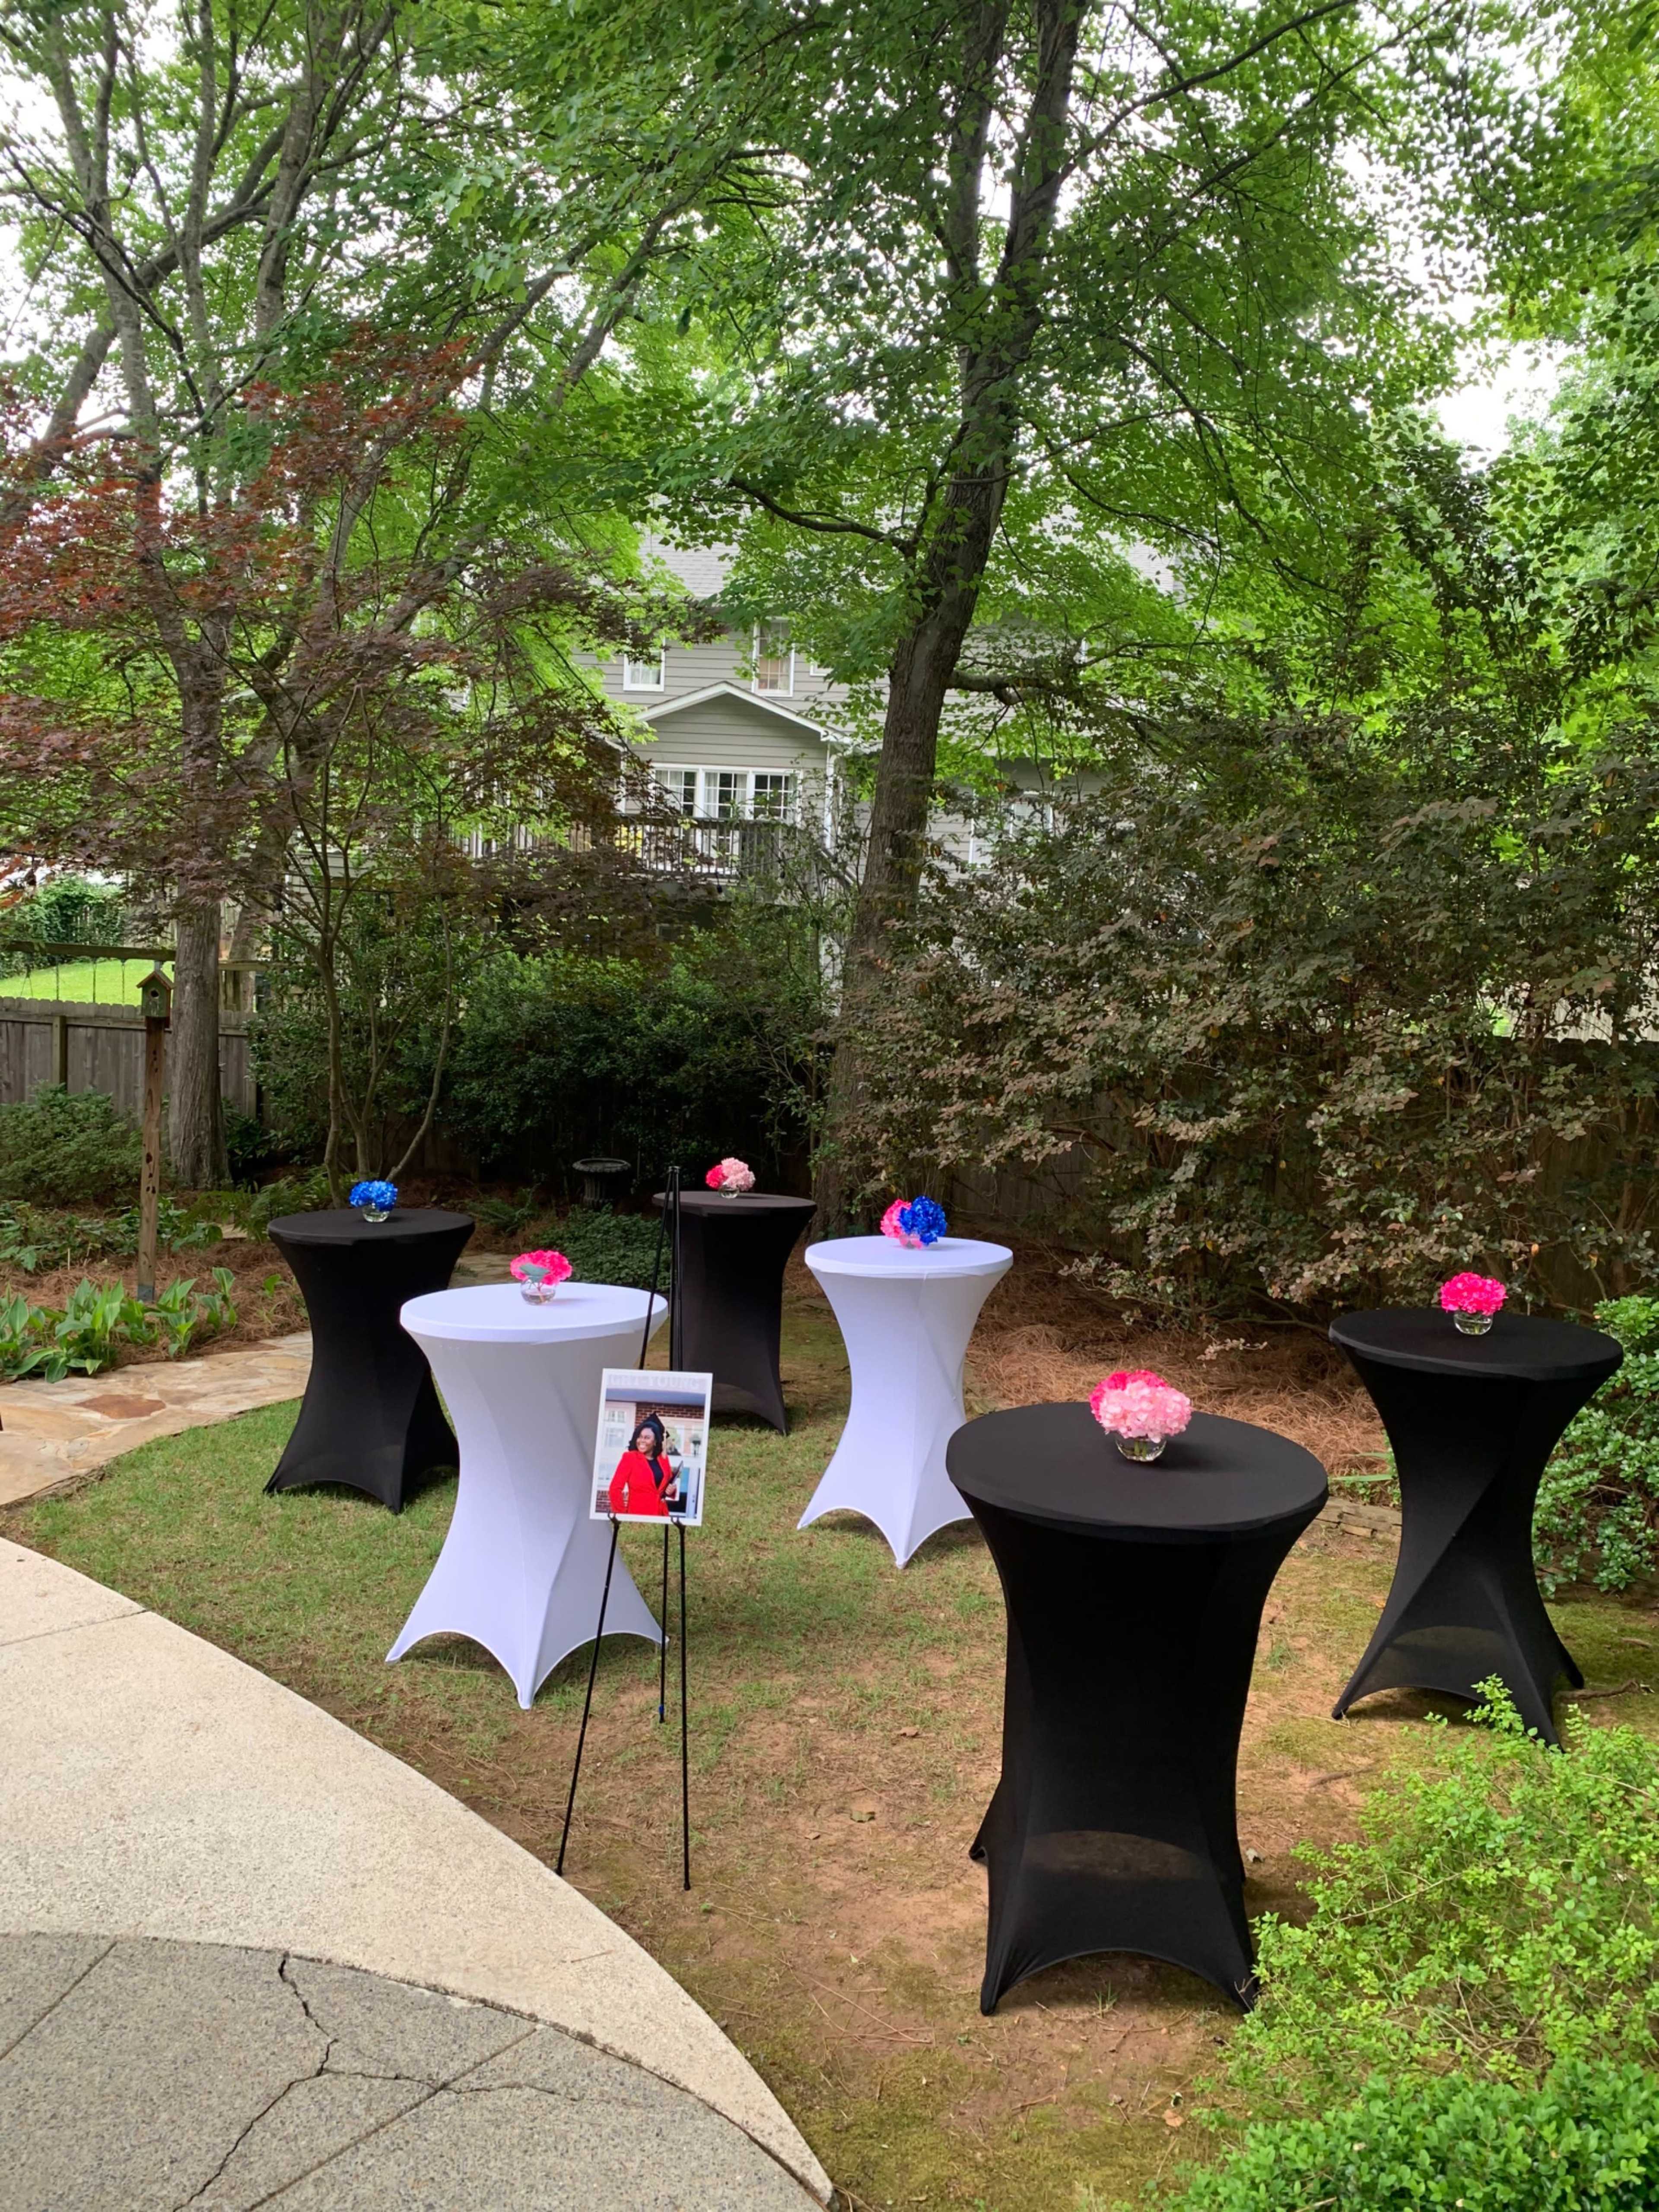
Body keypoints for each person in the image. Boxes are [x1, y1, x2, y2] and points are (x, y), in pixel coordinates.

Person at [607, 1414, 680, 1518]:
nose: (642, 1440)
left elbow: (666, 1485)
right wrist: (622, 1516)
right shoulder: (630, 1458)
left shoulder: (663, 1459)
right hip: (637, 1515)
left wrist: (672, 1491)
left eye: (647, 1438)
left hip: (661, 1515)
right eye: (640, 1437)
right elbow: (615, 1489)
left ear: (655, 1442)